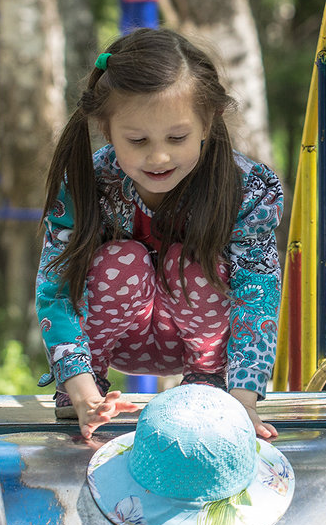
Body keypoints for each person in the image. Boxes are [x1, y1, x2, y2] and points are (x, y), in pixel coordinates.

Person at [35, 28, 283, 442]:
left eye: (177, 137)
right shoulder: (85, 182)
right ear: (106, 128)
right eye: (137, 140)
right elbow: (55, 285)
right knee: (122, 260)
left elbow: (256, 291)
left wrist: (244, 402)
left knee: (191, 261)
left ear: (210, 120)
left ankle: (208, 384)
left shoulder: (245, 189)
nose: (159, 156)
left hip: (201, 340)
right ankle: (89, 383)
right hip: (114, 335)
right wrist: (81, 393)